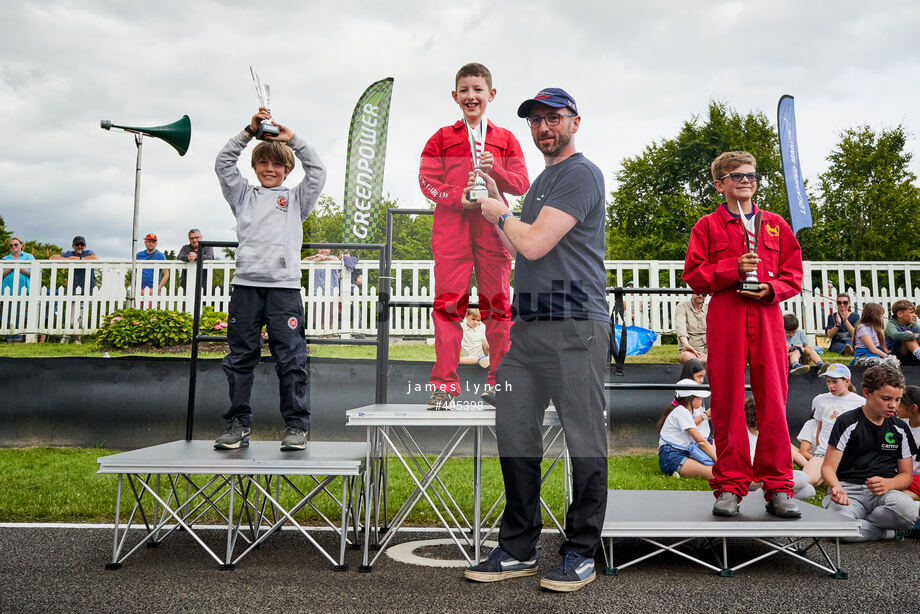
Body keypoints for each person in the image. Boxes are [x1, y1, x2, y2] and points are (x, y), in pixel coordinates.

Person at [463, 87, 609, 593]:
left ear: (575, 121)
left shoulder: (580, 174)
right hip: (529, 331)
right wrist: (501, 207)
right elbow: (523, 246)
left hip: (575, 326)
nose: (543, 127)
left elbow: (535, 240)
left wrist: (497, 213)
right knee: (515, 432)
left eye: (553, 118)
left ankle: (581, 551)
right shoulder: (547, 179)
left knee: (584, 439)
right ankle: (519, 545)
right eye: (536, 121)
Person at [682, 150, 804, 519]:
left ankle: (778, 487)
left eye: (752, 175)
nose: (746, 180)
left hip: (767, 317)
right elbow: (694, 275)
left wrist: (773, 290)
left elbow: (793, 274)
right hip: (727, 316)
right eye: (737, 176)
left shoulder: (776, 224)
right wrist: (730, 268)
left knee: (773, 400)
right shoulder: (707, 226)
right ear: (720, 184)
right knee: (728, 401)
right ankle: (730, 487)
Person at [213, 106, 326, 452]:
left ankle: (296, 426)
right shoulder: (242, 195)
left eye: (278, 165)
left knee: (291, 359)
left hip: (284, 290)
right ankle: (238, 424)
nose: (270, 169)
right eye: (263, 163)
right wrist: (249, 132)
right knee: (239, 358)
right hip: (246, 287)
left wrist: (291, 139)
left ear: (288, 169)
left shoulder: (295, 199)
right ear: (255, 165)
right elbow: (222, 164)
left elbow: (318, 172)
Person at [419, 62, 529, 411]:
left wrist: (495, 168)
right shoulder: (440, 137)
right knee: (448, 308)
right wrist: (456, 197)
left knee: (498, 308)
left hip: (493, 229)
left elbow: (522, 183)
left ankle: (499, 382)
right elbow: (425, 180)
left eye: (478, 90)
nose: (471, 96)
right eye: (464, 90)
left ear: (490, 95)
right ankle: (444, 386)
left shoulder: (506, 139)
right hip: (452, 230)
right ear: (455, 96)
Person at [821, 364, 918, 541]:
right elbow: (827, 467)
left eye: (897, 400)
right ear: (867, 393)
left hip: (884, 495)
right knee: (840, 528)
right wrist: (836, 487)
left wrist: (890, 483)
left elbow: (906, 476)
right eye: (886, 398)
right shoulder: (847, 421)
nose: (893, 406)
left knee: (909, 511)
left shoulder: (900, 428)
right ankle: (886, 532)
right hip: (848, 491)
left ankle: (860, 526)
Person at [800, 363, 865, 487]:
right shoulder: (820, 399)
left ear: (847, 381)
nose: (831, 385)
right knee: (806, 482)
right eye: (828, 381)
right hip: (824, 452)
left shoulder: (861, 402)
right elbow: (820, 427)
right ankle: (823, 473)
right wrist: (820, 450)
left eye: (835, 382)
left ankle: (829, 474)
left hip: (849, 455)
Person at [744, 397, 815, 500]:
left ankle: (770, 494)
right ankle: (768, 493)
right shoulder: (742, 435)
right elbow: (741, 477)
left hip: (773, 479)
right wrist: (767, 483)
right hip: (754, 483)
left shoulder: (770, 432)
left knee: (808, 489)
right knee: (801, 480)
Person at [657, 379, 716, 479]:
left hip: (681, 453)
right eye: (698, 397)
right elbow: (701, 442)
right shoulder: (682, 412)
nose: (701, 399)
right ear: (688, 399)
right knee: (718, 473)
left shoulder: (683, 410)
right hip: (672, 457)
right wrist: (719, 461)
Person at [50, 236, 99, 344]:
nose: (79, 246)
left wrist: (80, 260)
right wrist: (68, 260)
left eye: (82, 244)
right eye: (77, 244)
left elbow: (95, 258)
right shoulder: (69, 254)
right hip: (73, 289)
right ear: (73, 246)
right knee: (71, 315)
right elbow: (52, 258)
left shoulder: (88, 253)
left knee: (80, 315)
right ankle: (68, 335)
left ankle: (77, 339)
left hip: (88, 289)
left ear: (85, 246)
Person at [1, 237, 34, 341]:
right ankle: (9, 338)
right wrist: (11, 267)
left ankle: (17, 338)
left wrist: (18, 267)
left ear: (21, 245)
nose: (13, 247)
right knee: (6, 315)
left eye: (16, 244)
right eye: (11, 245)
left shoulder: (29, 257)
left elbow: (33, 274)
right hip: (6, 291)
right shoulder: (6, 259)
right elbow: (1, 275)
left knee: (18, 315)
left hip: (22, 291)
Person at [852, 302, 899, 367]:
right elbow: (873, 349)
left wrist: (892, 356)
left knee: (893, 362)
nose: (882, 317)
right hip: (863, 357)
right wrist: (887, 357)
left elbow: (882, 347)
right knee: (876, 362)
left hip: (876, 355)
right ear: (874, 315)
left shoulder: (876, 328)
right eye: (881, 315)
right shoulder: (861, 327)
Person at [896, 385, 920, 502]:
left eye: (899, 403)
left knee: (899, 499)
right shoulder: (899, 424)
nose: (895, 406)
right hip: (902, 476)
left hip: (915, 481)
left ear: (913, 408)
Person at [884, 299, 920, 366]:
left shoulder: (913, 325)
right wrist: (913, 336)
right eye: (911, 312)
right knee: (908, 334)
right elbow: (894, 335)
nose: (914, 315)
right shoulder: (891, 324)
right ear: (900, 314)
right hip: (897, 355)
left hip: (911, 355)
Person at [136, 233, 169, 307]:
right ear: (145, 242)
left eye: (153, 242)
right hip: (138, 288)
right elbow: (135, 271)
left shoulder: (160, 256)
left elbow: (166, 273)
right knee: (136, 312)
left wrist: (158, 288)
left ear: (156, 243)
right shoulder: (138, 255)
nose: (151, 243)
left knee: (150, 312)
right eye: (149, 241)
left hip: (152, 288)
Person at [675, 293, 707, 364]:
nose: (700, 296)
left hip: (707, 348)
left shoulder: (709, 308)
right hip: (689, 349)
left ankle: (702, 359)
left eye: (704, 294)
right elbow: (680, 327)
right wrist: (686, 345)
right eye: (698, 293)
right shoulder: (682, 306)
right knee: (686, 356)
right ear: (692, 292)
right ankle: (708, 360)